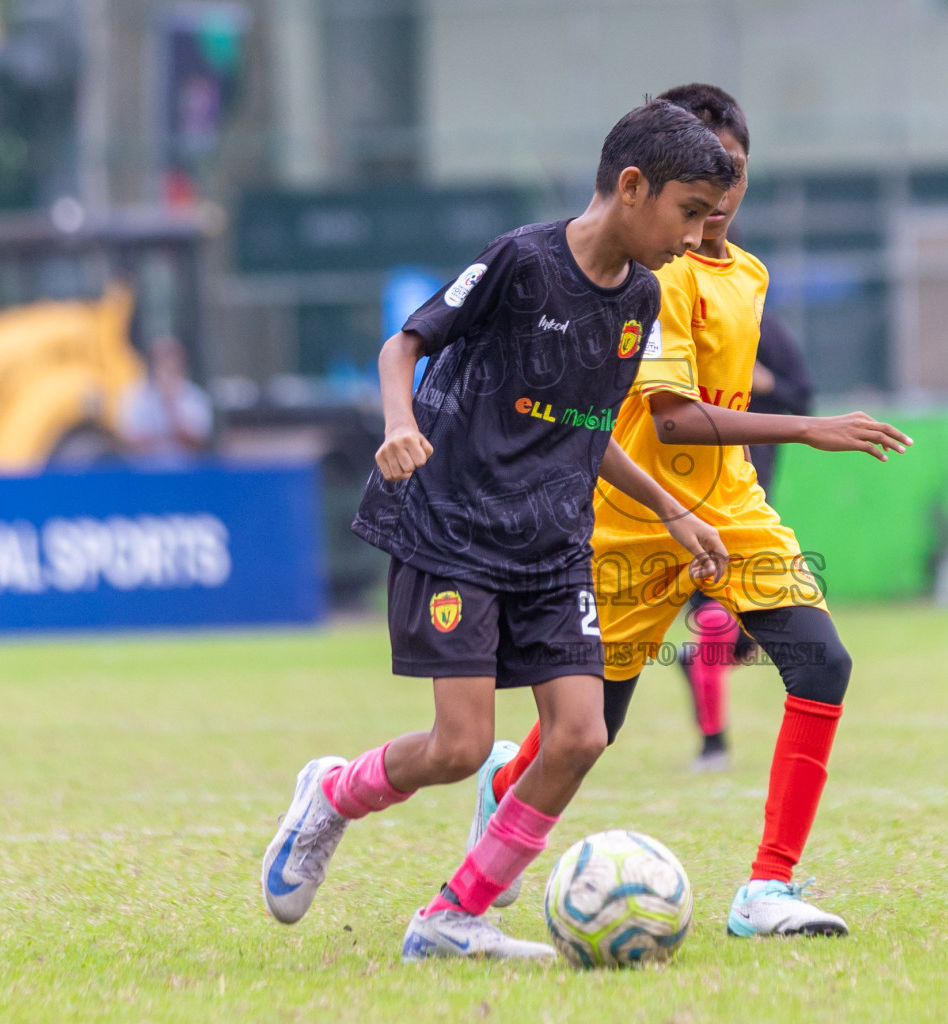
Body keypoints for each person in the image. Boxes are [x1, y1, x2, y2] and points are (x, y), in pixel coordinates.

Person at [258, 99, 737, 962]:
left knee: (582, 735)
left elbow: (583, 430)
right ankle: (331, 793)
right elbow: (401, 347)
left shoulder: (639, 296)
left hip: (552, 542)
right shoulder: (520, 261)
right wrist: (398, 425)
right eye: (689, 212)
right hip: (455, 526)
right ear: (632, 188)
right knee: (460, 746)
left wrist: (672, 511)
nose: (698, 236)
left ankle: (452, 917)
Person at [473, 84, 912, 938]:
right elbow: (670, 415)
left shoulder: (747, 274)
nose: (717, 200)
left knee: (821, 664)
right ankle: (501, 788)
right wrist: (809, 428)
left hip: (734, 512)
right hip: (636, 518)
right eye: (700, 185)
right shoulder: (649, 277)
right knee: (591, 731)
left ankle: (766, 891)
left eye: (734, 176)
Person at [680, 308, 815, 770]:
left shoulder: (765, 330)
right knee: (715, 622)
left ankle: (700, 664)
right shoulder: (675, 328)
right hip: (686, 502)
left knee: (734, 637)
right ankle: (713, 745)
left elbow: (803, 398)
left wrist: (766, 384)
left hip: (751, 503)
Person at [118, 335, 212, 462]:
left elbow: (198, 442)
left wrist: (170, 403)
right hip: (144, 474)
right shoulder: (134, 396)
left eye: (172, 359)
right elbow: (129, 441)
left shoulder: (195, 397)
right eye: (162, 359)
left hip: (185, 473)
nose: (168, 364)